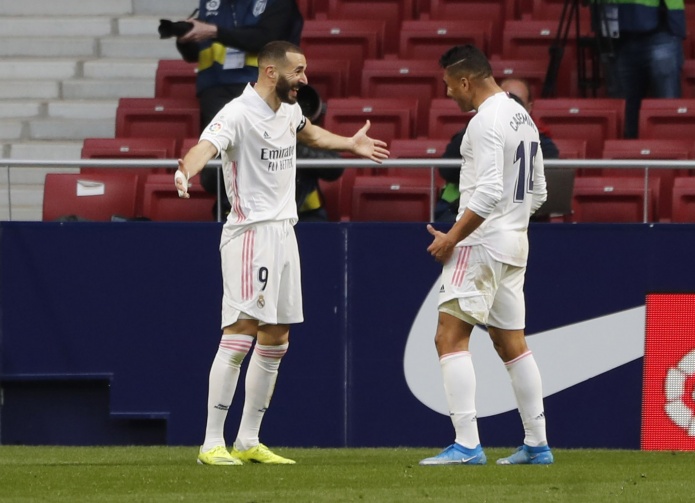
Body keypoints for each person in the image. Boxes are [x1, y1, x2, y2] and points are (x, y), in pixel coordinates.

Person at [175, 41, 389, 466]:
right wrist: (185, 170)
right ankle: (211, 443)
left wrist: (350, 144)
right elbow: (206, 147)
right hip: (250, 234)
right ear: (271, 71)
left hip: (285, 232)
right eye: (298, 71)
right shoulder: (237, 113)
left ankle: (248, 440)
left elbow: (308, 131)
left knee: (276, 337)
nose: (304, 79)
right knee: (240, 333)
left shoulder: (288, 110)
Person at [420, 45, 552, 466]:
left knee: (448, 336)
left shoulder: (484, 121)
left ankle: (466, 445)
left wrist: (452, 238)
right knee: (511, 342)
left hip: (481, 244)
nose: (448, 94)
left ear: (465, 81)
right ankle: (537, 444)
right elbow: (540, 192)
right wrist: (513, 220)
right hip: (515, 243)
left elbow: (490, 190)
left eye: (448, 85)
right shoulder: (522, 118)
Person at [175, 0, 304, 211]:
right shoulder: (211, 3)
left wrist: (214, 31)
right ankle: (231, 210)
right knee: (217, 164)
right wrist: (185, 38)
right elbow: (194, 52)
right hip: (215, 89)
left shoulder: (278, 3)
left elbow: (267, 39)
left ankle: (268, 211)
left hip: (262, 89)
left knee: (261, 156)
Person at [434, 77, 559, 223]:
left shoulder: (540, 141)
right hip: (463, 210)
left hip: (517, 214)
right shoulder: (474, 130)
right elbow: (447, 170)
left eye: (516, 102)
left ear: (528, 108)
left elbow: (543, 185)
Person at [599, 0, 686, 138]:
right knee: (625, 123)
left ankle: (668, 151)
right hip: (620, 38)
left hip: (661, 30)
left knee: (667, 117)